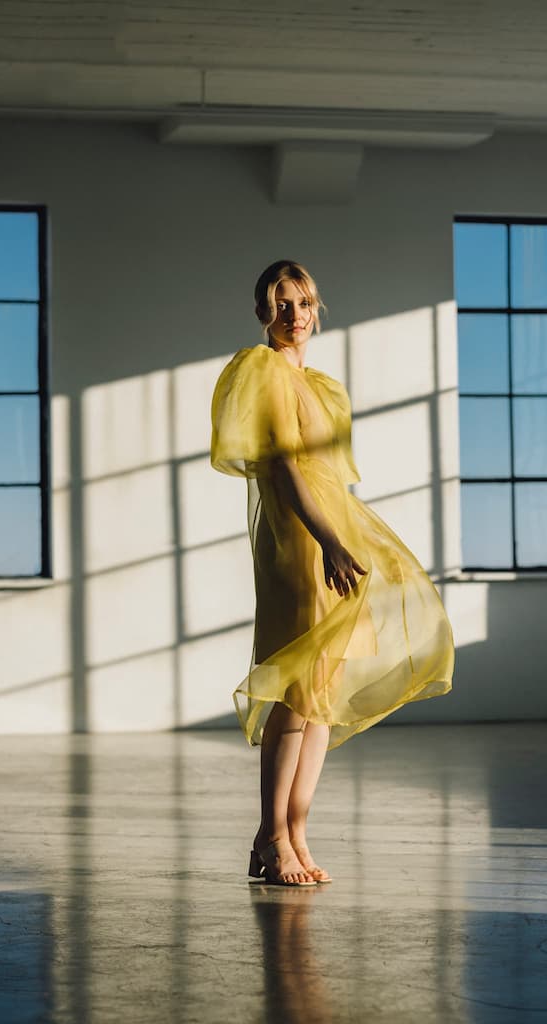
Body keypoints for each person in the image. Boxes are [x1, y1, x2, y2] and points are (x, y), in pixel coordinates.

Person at [210, 260, 455, 887]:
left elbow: (331, 476)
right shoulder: (261, 371)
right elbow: (288, 470)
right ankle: (270, 837)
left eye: (305, 303)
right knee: (296, 692)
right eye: (283, 303)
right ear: (264, 311)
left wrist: (345, 538)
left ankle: (294, 832)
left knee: (322, 695)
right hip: (299, 543)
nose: (296, 316)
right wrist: (327, 542)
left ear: (317, 309)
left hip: (330, 534)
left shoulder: (320, 385)